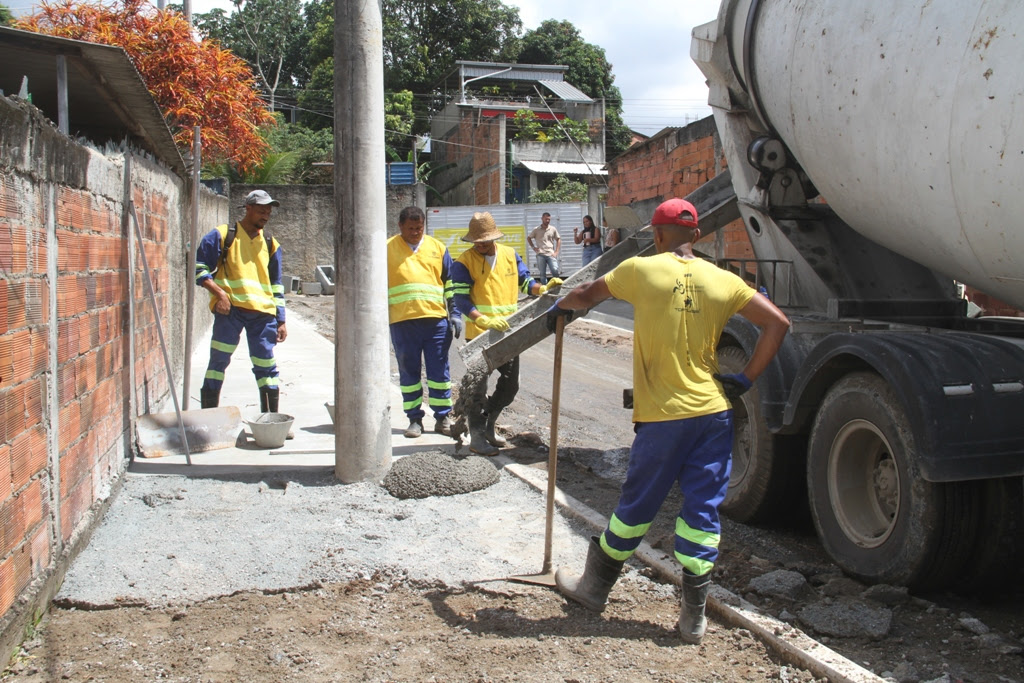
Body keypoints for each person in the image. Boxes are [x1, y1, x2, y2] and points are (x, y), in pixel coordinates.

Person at [544, 197, 790, 644]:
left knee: (635, 509)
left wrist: (560, 308)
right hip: (715, 414)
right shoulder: (723, 280)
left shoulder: (639, 271)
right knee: (702, 514)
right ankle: (693, 618)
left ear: (656, 236)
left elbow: (585, 295)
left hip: (664, 418)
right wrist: (746, 378)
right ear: (697, 236)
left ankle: (594, 588)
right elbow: (778, 323)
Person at [452, 212, 563, 455]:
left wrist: (541, 288)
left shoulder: (509, 255)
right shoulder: (463, 263)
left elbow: (525, 282)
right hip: (479, 335)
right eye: (476, 242)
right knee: (478, 388)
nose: (480, 245)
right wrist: (484, 320)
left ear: (494, 237)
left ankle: (490, 422)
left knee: (511, 385)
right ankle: (477, 436)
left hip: (509, 333)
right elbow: (460, 300)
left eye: (484, 241)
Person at [195, 189, 288, 414]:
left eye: (268, 212)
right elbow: (198, 268)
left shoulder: (270, 244)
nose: (265, 216)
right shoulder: (222, 235)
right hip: (231, 313)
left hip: (263, 315)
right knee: (218, 362)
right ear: (247, 208)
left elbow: (276, 285)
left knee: (266, 366)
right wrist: (221, 294)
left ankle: (271, 420)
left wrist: (281, 320)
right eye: (260, 211)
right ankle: (209, 416)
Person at [387, 206, 462, 438]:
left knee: (439, 372)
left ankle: (442, 418)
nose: (415, 233)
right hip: (403, 321)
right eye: (410, 229)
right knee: (409, 373)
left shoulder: (437, 248)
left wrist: (455, 312)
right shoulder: (386, 248)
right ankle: (414, 420)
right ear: (400, 226)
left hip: (435, 321)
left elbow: (450, 282)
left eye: (419, 228)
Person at [527, 212, 562, 284]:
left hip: (550, 253)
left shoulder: (552, 229)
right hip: (540, 254)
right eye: (546, 219)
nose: (547, 221)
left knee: (555, 270)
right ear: (542, 218)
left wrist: (556, 252)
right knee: (542, 274)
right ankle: (545, 289)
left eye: (549, 219)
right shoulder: (536, 229)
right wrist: (534, 247)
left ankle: (557, 287)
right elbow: (529, 238)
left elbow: (558, 239)